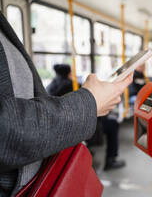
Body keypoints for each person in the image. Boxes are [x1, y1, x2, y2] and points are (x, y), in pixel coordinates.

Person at [0, 12, 132, 196]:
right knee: (112, 125)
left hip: (40, 174)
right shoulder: (71, 85)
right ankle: (111, 158)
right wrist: (90, 102)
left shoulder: (54, 83)